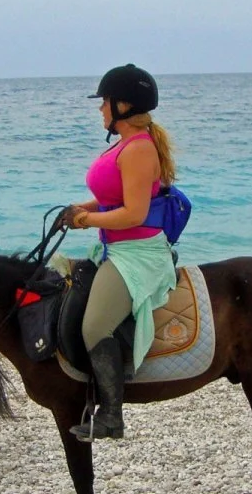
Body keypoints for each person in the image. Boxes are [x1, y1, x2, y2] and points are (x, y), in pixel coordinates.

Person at [61, 64, 179, 441]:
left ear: (123, 106)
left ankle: (111, 415)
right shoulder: (126, 145)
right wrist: (81, 207)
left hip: (138, 252)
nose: (100, 109)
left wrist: (86, 221)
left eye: (105, 102)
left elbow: (135, 213)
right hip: (117, 245)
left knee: (94, 325)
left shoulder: (140, 149)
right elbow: (114, 197)